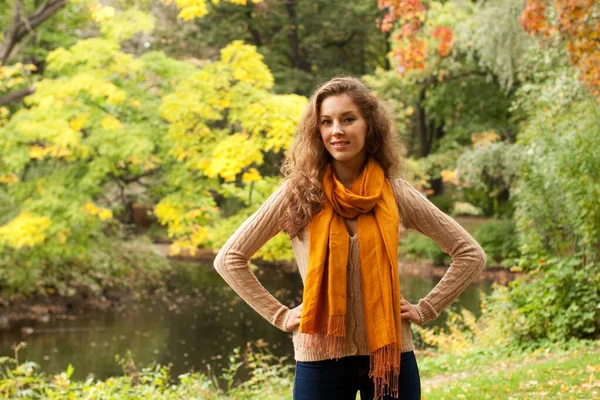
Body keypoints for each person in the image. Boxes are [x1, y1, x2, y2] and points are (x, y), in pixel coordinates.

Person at [213, 76, 487, 400]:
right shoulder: (299, 194)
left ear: (368, 126)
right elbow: (230, 258)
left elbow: (470, 253)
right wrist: (281, 314)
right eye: (326, 122)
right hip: (319, 358)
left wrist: (427, 308)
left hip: (390, 356)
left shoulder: (395, 193)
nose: (336, 131)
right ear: (317, 131)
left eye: (348, 119)